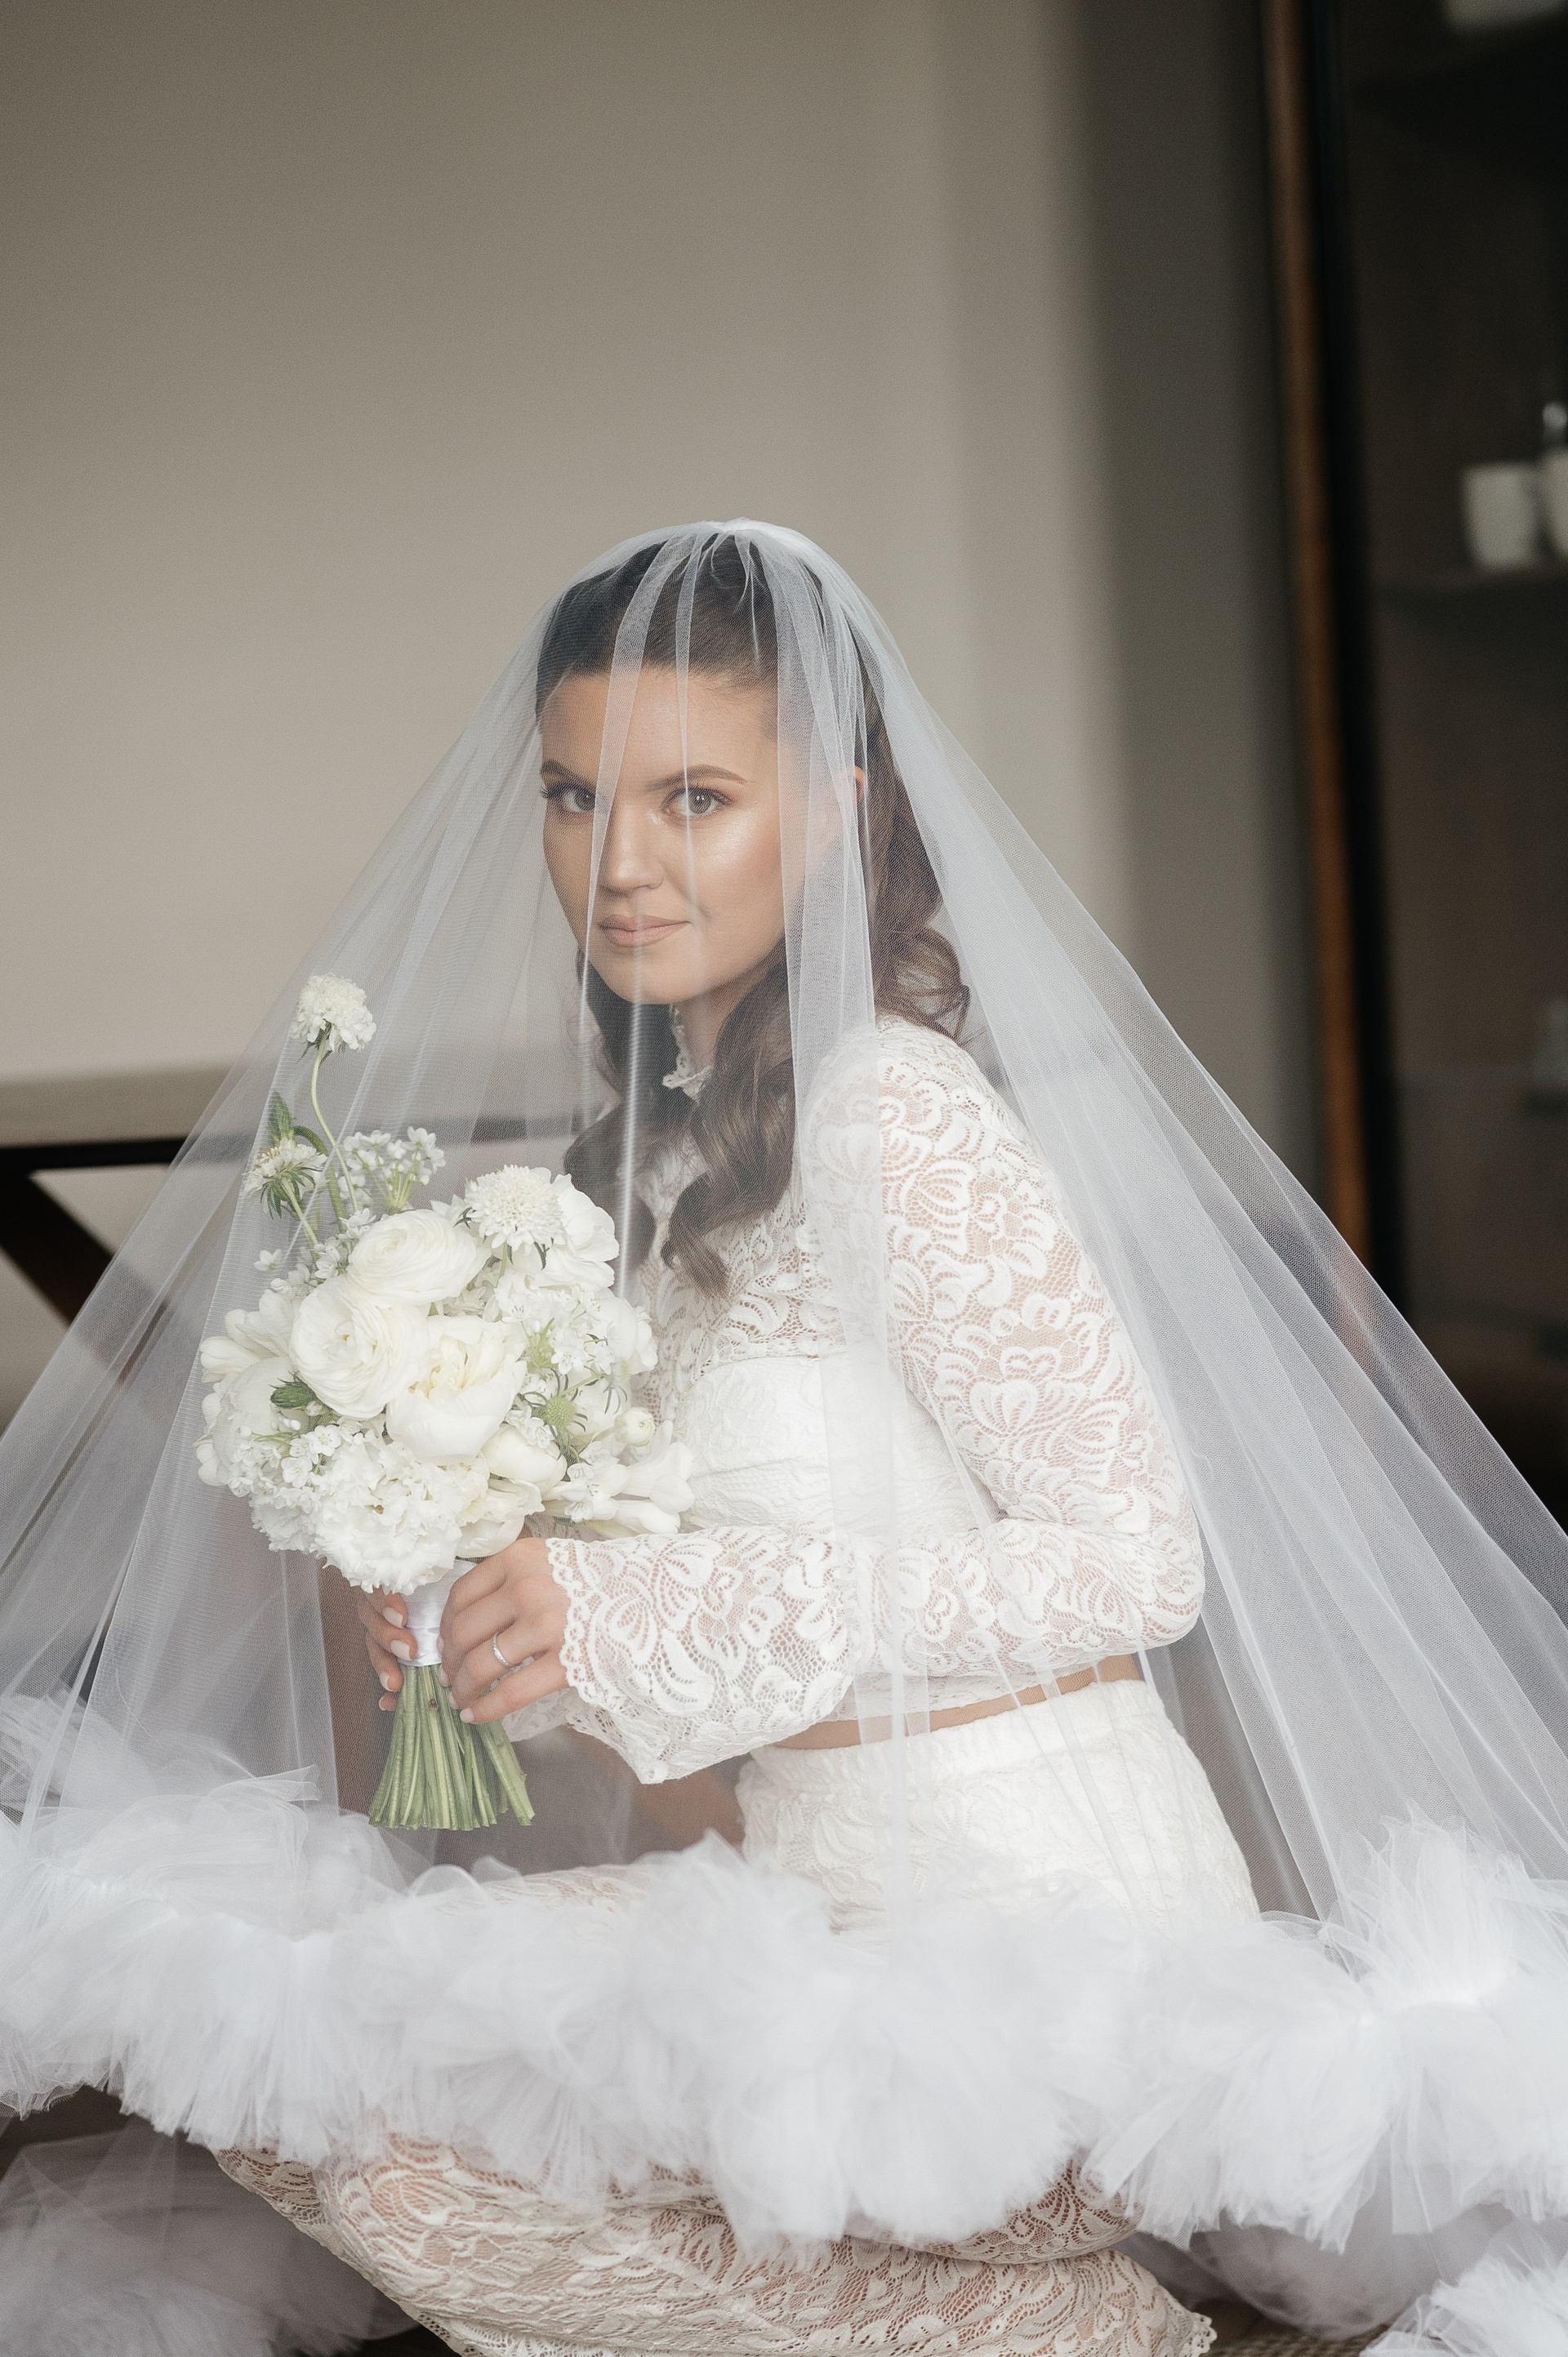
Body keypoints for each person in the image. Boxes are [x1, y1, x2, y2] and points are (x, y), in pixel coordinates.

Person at [4, 524, 1568, 2357]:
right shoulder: (668, 1153)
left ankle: (1072, 2324)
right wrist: (509, 1634)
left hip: (1048, 1964)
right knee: (287, 2065)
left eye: (694, 799)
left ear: (832, 813)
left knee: (404, 2163)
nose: (620, 862)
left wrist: (639, 1616)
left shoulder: (896, 1116)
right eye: (576, 796)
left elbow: (1141, 1562)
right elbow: (707, 1671)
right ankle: (1032, 2325)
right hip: (793, 1918)